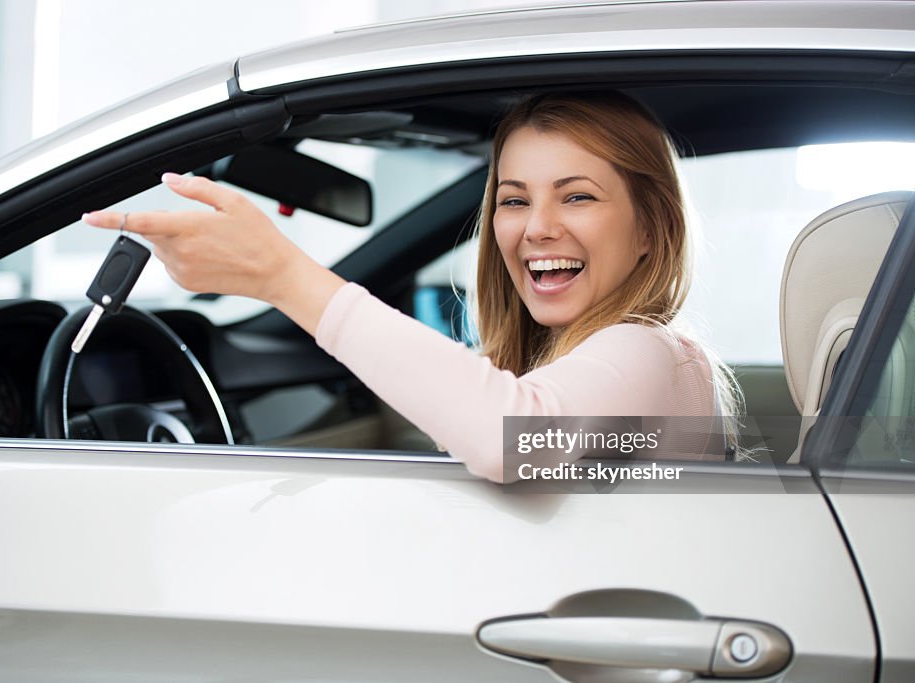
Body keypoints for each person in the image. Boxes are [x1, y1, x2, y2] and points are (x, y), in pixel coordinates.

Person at [83, 93, 740, 483]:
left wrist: (285, 277)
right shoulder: (579, 362)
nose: (537, 227)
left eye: (577, 196)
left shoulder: (655, 355)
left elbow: (505, 435)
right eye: (514, 201)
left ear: (652, 226)